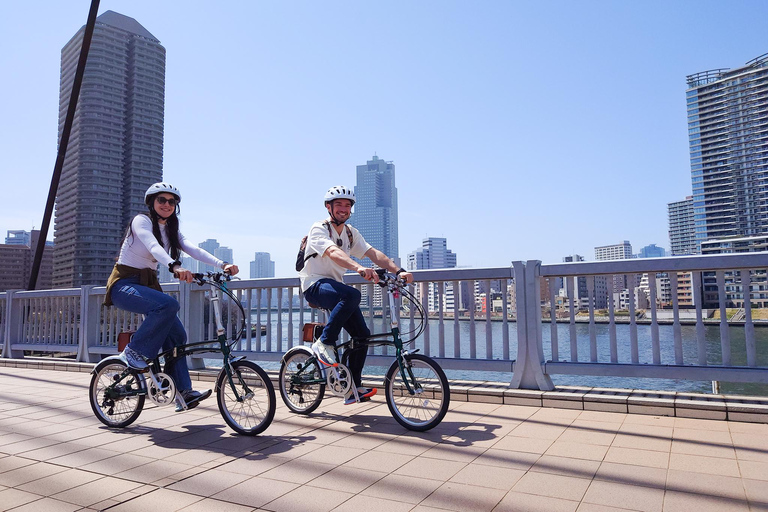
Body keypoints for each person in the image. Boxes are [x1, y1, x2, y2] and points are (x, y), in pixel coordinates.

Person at [104, 182, 239, 412]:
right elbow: (153, 246)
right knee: (169, 305)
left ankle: (183, 393)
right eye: (162, 200)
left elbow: (192, 248)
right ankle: (133, 352)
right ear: (152, 203)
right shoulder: (141, 221)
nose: (167, 205)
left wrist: (222, 264)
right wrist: (175, 266)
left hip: (148, 286)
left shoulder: (171, 229)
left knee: (177, 336)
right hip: (123, 285)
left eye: (172, 201)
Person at [299, 185, 413, 405]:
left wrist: (398, 271)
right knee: (351, 294)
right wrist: (358, 268)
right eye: (339, 205)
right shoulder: (319, 228)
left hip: (335, 288)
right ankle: (324, 343)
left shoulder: (351, 233)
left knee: (362, 335)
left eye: (347, 205)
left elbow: (374, 253)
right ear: (328, 207)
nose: (343, 209)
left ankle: (353, 388)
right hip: (314, 285)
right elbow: (333, 252)